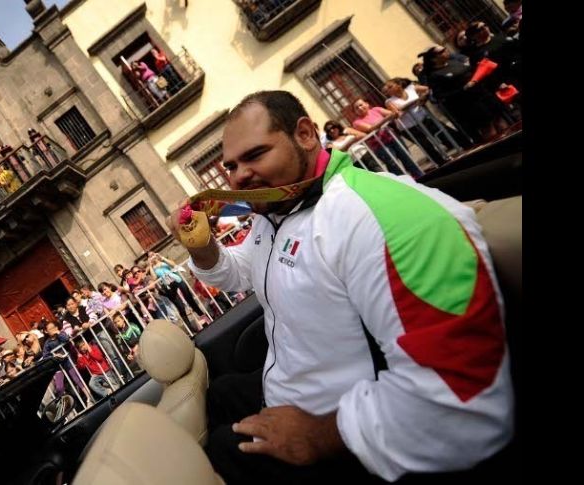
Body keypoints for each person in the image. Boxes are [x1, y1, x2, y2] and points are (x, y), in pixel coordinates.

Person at [166, 90, 513, 483]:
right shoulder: (276, 212)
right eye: (231, 166)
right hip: (286, 390)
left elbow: (463, 400)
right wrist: (204, 248)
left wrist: (319, 435)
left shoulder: (383, 219)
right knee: (219, 392)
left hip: (352, 434)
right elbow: (240, 273)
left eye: (255, 155)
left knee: (215, 454)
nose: (239, 176)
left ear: (306, 134)